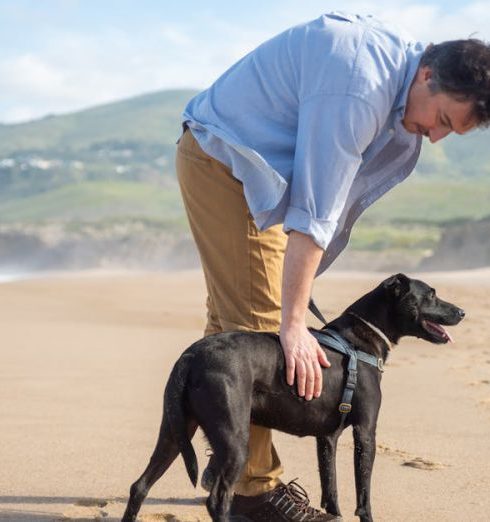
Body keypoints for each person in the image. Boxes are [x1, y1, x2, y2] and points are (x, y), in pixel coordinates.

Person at [175, 11, 490, 521]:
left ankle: (226, 466)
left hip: (243, 168)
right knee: (257, 326)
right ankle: (254, 494)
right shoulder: (360, 86)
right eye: (444, 120)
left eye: (452, 133)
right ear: (429, 75)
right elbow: (315, 213)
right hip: (224, 163)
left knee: (231, 324)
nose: (434, 138)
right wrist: (295, 323)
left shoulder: (399, 75)